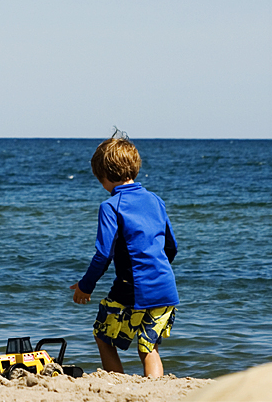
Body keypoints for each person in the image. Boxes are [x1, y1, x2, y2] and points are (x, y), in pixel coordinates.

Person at [70, 132, 179, 377]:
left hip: (132, 287)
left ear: (103, 176)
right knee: (148, 347)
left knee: (102, 335)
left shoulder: (110, 206)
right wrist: (155, 270)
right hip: (165, 286)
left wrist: (85, 286)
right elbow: (171, 247)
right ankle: (155, 392)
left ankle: (118, 385)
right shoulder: (155, 200)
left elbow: (103, 255)